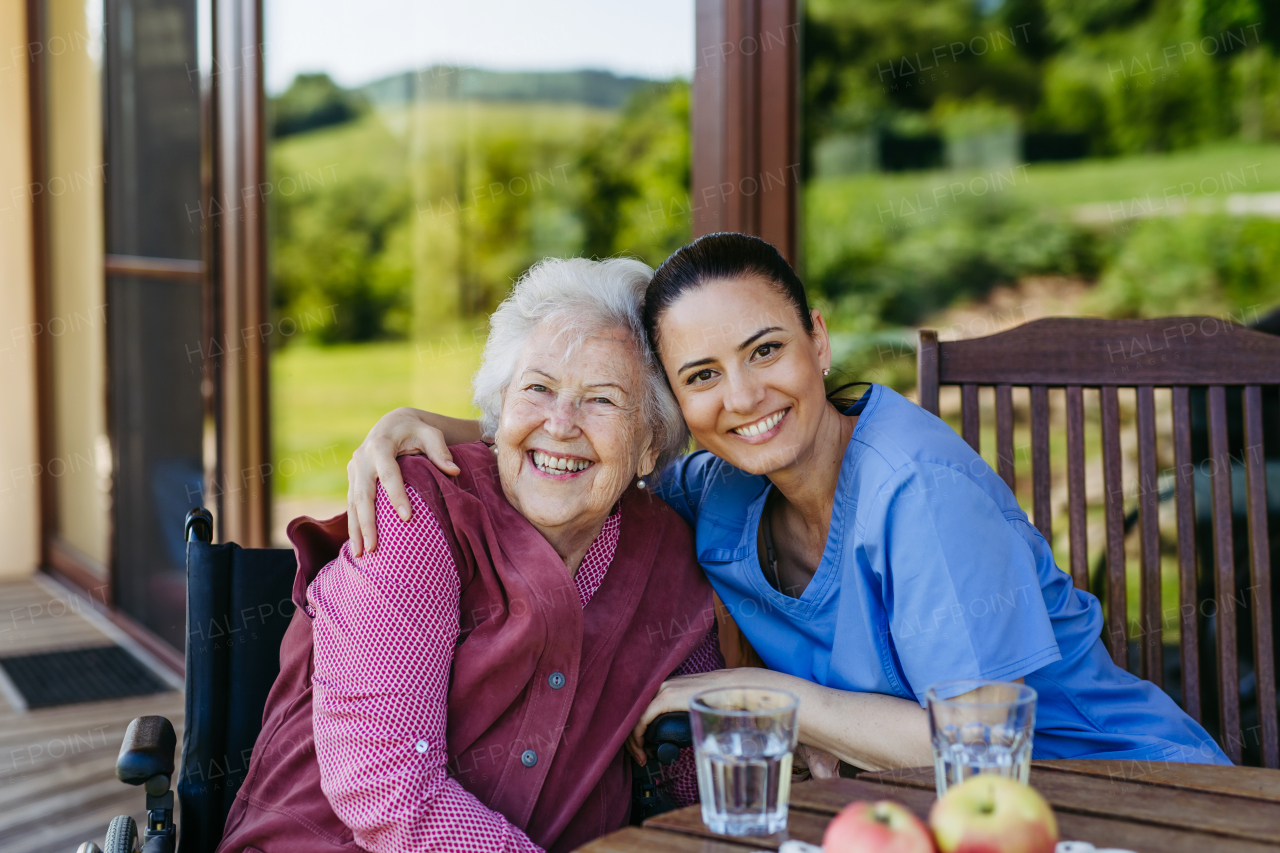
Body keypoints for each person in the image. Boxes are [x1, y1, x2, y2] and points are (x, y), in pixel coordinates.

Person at [347, 233, 1231, 770]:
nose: (742, 397)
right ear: (679, 410)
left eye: (765, 349)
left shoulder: (920, 490)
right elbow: (598, 443)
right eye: (701, 376)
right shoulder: (720, 489)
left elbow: (971, 743)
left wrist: (752, 690)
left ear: (817, 339)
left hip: (1123, 799)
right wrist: (438, 420)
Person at [216, 258, 724, 853]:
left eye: (602, 400)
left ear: (648, 447)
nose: (559, 424)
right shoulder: (419, 515)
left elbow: (698, 783)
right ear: (500, 409)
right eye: (536, 389)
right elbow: (387, 787)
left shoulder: (669, 557)